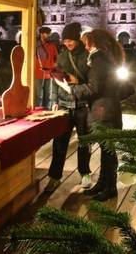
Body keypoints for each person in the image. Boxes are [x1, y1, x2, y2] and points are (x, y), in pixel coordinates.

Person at [55, 28, 125, 201]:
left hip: (103, 110)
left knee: (108, 149)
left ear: (94, 43)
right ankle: (103, 183)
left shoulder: (99, 59)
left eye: (87, 42)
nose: (85, 46)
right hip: (105, 108)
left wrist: (70, 89)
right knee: (105, 148)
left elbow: (93, 88)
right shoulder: (104, 57)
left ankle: (110, 188)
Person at [44, 22, 92, 192]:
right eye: (65, 40)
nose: (67, 43)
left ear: (77, 39)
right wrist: (54, 100)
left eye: (70, 40)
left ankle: (85, 173)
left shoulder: (87, 56)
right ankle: (55, 176)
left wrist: (78, 81)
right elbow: (55, 79)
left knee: (84, 141)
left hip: (82, 105)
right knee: (59, 142)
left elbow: (93, 82)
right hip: (64, 104)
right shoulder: (62, 56)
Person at [35, 26, 57, 109]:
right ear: (41, 34)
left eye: (48, 34)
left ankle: (47, 112)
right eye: (46, 33)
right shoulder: (35, 45)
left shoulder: (52, 46)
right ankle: (37, 111)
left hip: (49, 74)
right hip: (37, 73)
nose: (47, 35)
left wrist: (52, 68)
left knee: (48, 96)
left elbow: (56, 59)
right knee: (38, 96)